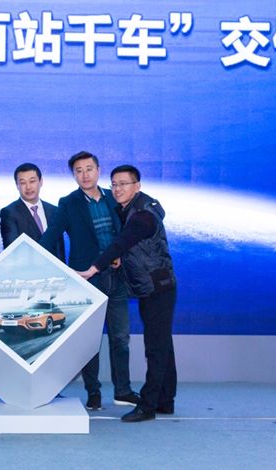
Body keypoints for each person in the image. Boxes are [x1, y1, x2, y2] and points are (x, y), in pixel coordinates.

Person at [39, 151, 139, 411]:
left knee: (120, 337)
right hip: (86, 280)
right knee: (88, 342)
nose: (84, 174)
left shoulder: (114, 197)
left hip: (116, 279)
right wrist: (31, 255)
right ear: (74, 175)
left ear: (98, 170)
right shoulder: (68, 203)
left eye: (89, 169)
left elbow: (127, 234)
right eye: (79, 171)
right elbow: (51, 236)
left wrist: (121, 256)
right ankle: (93, 392)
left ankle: (123, 391)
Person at [78, 165, 177, 423]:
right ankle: (166, 400)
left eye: (124, 184)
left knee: (155, 347)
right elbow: (135, 245)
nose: (118, 189)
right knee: (163, 344)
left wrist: (93, 269)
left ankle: (148, 406)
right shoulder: (135, 208)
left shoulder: (142, 215)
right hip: (152, 285)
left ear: (137, 186)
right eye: (114, 184)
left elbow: (121, 242)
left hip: (157, 288)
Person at [0, 162, 64, 261]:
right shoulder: (9, 212)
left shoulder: (54, 211)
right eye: (23, 183)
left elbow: (59, 249)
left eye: (32, 181)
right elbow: (12, 249)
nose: (28, 187)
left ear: (41, 182)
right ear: (17, 185)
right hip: (26, 269)